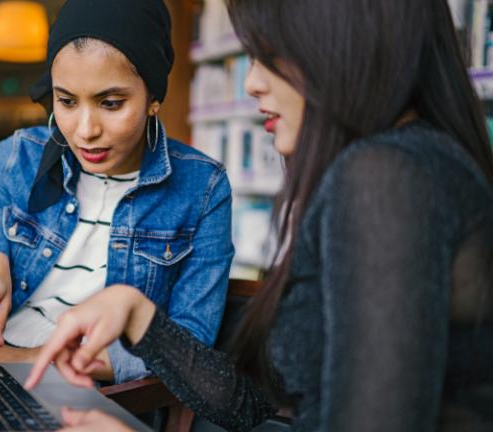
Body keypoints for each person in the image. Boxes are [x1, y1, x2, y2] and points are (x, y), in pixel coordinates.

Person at [26, 0, 493, 430]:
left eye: (270, 53)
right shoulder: (406, 165)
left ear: (345, 39)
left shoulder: (386, 178)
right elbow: (254, 406)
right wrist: (138, 316)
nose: (251, 82)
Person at [0, 0, 233, 385]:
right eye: (67, 101)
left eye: (111, 103)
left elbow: (187, 346)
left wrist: (26, 359)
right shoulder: (19, 154)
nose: (85, 130)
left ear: (154, 98)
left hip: (78, 392)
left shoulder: (203, 188)